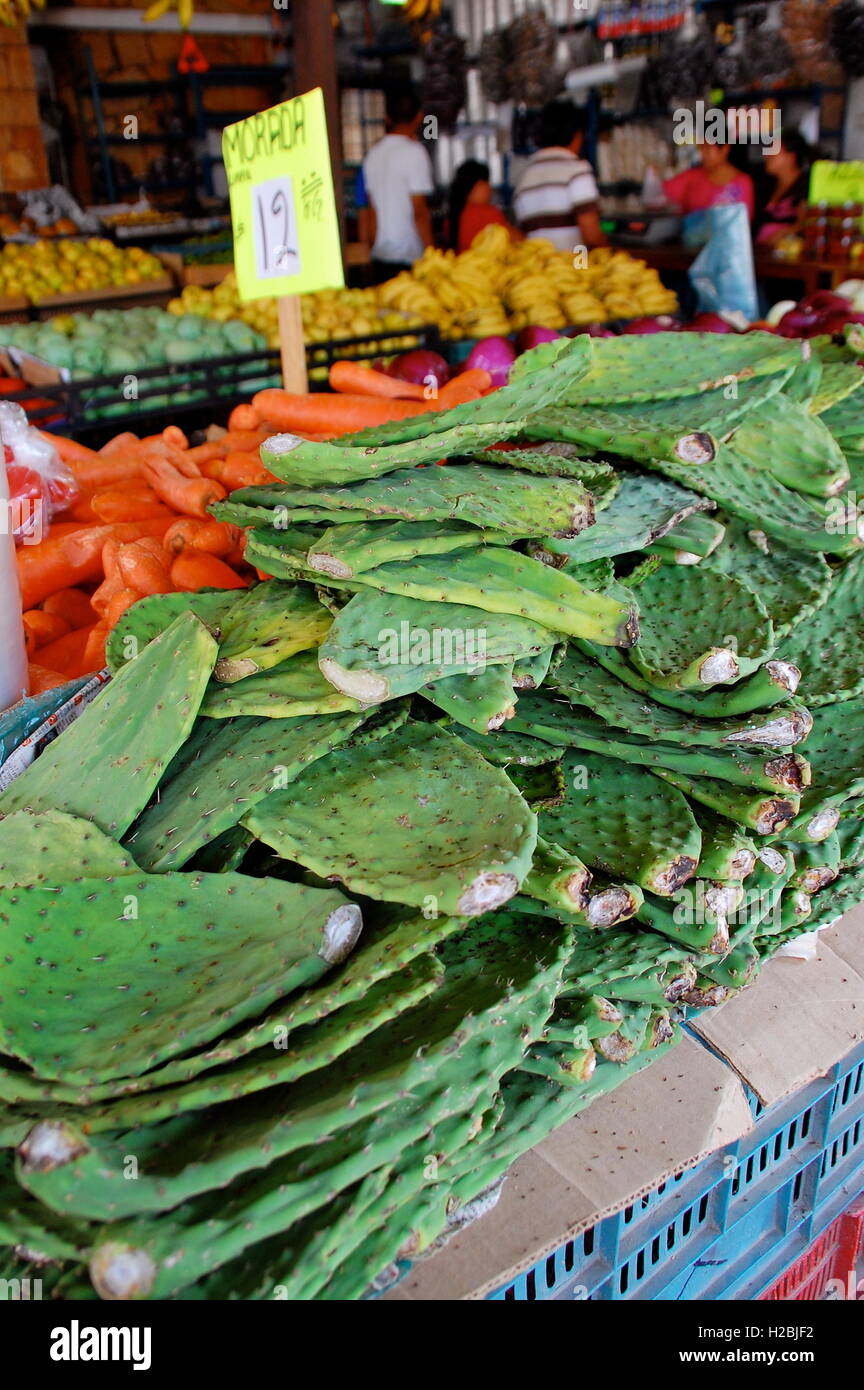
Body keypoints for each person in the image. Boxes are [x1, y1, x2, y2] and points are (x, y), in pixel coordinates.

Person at [359, 86, 434, 284]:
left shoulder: (372, 155)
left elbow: (369, 208)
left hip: (380, 254)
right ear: (419, 117)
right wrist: (431, 254)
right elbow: (419, 212)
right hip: (409, 255)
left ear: (386, 118)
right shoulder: (415, 153)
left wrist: (369, 248)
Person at [513, 101, 607, 251]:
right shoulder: (577, 170)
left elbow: (524, 237)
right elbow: (591, 236)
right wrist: (613, 255)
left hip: (537, 271)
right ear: (577, 135)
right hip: (574, 268)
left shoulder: (524, 178)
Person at [663, 141, 755, 221]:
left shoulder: (743, 182)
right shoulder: (692, 177)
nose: (702, 154)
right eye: (700, 148)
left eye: (707, 147)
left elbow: (743, 222)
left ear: (725, 148)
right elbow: (661, 193)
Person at [448, 160, 521, 251]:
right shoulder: (484, 212)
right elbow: (518, 240)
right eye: (486, 182)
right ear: (474, 186)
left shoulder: (453, 215)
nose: (490, 188)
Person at [756, 131, 812, 246]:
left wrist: (785, 233)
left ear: (791, 157)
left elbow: (804, 224)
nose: (766, 155)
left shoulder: (805, 187)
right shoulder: (766, 186)